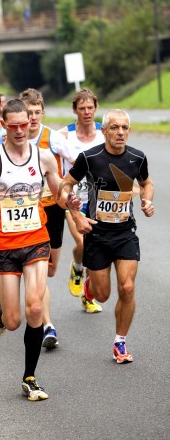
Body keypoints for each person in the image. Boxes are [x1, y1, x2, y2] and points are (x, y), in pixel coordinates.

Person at [0, 99, 83, 401]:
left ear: (31, 122)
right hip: (3, 246)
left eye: (23, 124)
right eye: (11, 125)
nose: (18, 130)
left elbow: (59, 195)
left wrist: (72, 203)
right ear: (3, 125)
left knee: (36, 308)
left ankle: (30, 377)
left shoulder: (44, 158)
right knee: (14, 322)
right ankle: (3, 309)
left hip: (36, 240)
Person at [62, 109, 154, 364]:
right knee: (103, 295)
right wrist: (77, 215)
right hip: (97, 235)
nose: (120, 132)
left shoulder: (137, 157)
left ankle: (120, 342)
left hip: (125, 233)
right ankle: (90, 287)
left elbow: (147, 183)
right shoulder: (89, 158)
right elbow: (64, 186)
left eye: (125, 128)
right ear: (104, 131)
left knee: (127, 287)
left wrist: (147, 201)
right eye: (114, 128)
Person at [19, 88, 77, 349]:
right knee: (38, 267)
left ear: (43, 112)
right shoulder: (15, 139)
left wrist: (67, 186)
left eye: (36, 112)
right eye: (27, 113)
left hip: (53, 208)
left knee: (51, 269)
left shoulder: (52, 138)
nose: (32, 118)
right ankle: (48, 325)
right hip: (28, 214)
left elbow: (76, 162)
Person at [59, 88, 104, 313]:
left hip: (99, 201)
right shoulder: (64, 135)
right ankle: (77, 268)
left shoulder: (105, 133)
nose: (87, 112)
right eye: (82, 108)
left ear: (95, 108)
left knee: (96, 249)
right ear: (75, 110)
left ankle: (88, 297)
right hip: (74, 201)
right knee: (83, 244)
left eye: (90, 107)